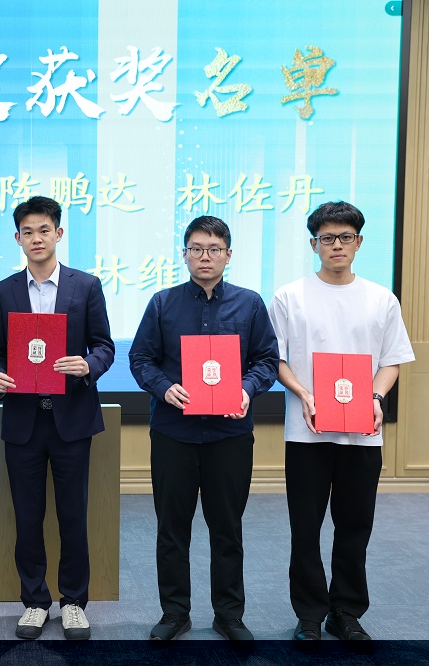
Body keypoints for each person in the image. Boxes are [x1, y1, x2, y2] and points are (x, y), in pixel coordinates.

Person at [269, 201, 414, 643]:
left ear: (359, 242)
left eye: (345, 237)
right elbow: (275, 359)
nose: (337, 245)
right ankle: (310, 615)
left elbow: (391, 361)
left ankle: (346, 612)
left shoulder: (381, 299)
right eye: (327, 238)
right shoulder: (289, 297)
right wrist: (303, 393)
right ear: (314, 244)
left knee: (354, 527)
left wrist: (376, 397)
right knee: (305, 528)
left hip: (363, 435)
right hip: (307, 432)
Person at [129, 215, 278, 642]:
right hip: (174, 433)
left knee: (227, 528)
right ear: (184, 254)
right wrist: (164, 387)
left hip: (229, 436)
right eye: (196, 249)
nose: (205, 257)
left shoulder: (250, 304)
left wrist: (247, 389)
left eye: (214, 249)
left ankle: (229, 615)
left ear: (228, 255)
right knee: (171, 528)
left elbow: (267, 360)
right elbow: (140, 359)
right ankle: (175, 613)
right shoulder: (162, 303)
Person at [0, 196, 114, 640]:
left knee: (73, 515)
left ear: (58, 233)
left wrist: (88, 365)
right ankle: (35, 601)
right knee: (27, 517)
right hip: (23, 419)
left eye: (44, 230)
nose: (36, 238)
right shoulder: (3, 291)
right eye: (28, 232)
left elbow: (104, 346)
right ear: (17, 238)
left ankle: (74, 601)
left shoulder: (86, 286)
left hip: (71, 420)